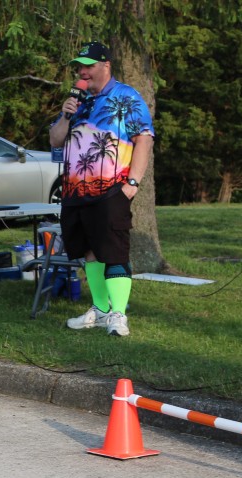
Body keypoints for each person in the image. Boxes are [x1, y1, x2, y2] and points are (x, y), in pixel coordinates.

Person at [49, 41, 154, 336]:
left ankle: (118, 315)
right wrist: (66, 115)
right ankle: (100, 309)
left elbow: (144, 138)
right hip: (75, 192)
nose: (82, 72)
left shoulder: (126, 97)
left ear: (106, 66)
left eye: (89, 66)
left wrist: (133, 183)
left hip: (111, 190)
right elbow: (55, 140)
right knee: (89, 252)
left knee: (115, 251)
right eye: (79, 68)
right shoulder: (77, 102)